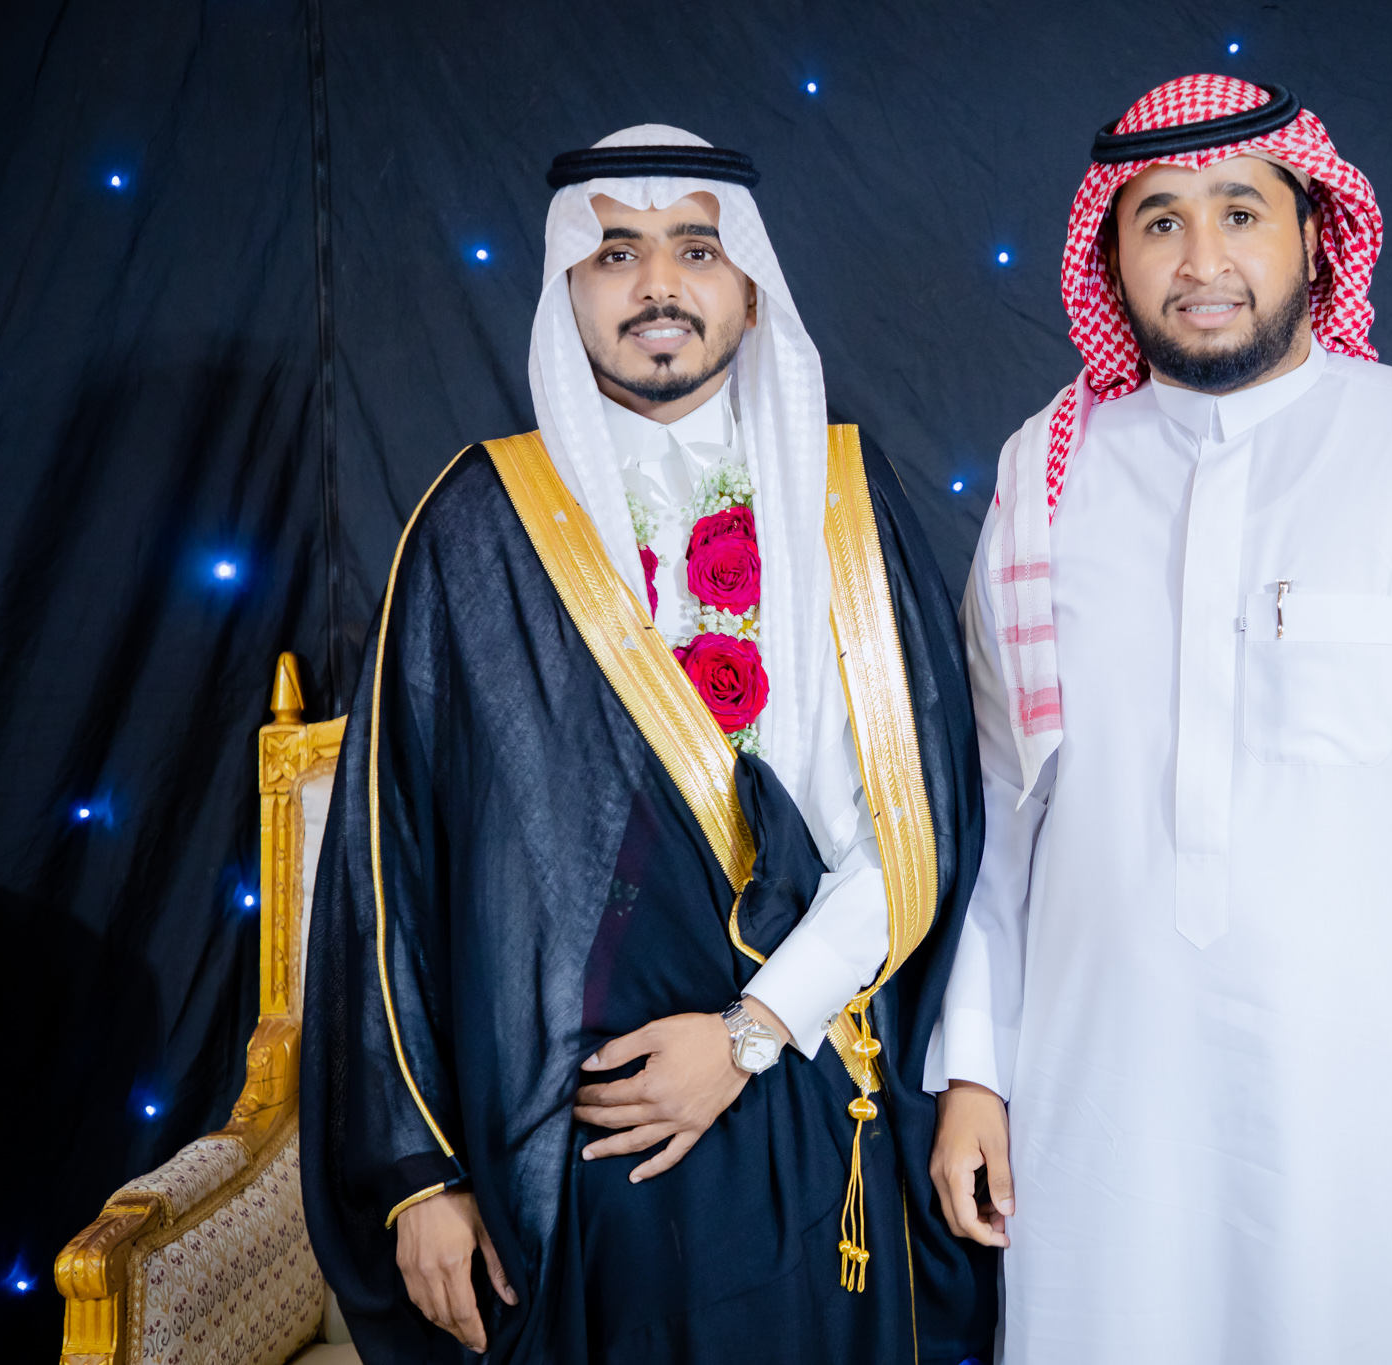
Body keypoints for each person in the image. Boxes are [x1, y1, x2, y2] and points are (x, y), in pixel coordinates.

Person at [924, 76, 1392, 1362]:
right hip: (1108, 1102)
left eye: (1239, 213)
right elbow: (1000, 811)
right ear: (1110, 254)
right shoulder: (1044, 482)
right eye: (1159, 221)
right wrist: (977, 1066)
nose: (1201, 260)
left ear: (1315, 233)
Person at [302, 124, 996, 1365]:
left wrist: (749, 1032)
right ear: (568, 286)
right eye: (616, 252)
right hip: (565, 1144)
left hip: (805, 1094)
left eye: (695, 250)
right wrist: (417, 1174)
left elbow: (917, 825)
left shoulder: (847, 498)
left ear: (750, 289)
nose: (658, 284)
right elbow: (386, 870)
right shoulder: (475, 526)